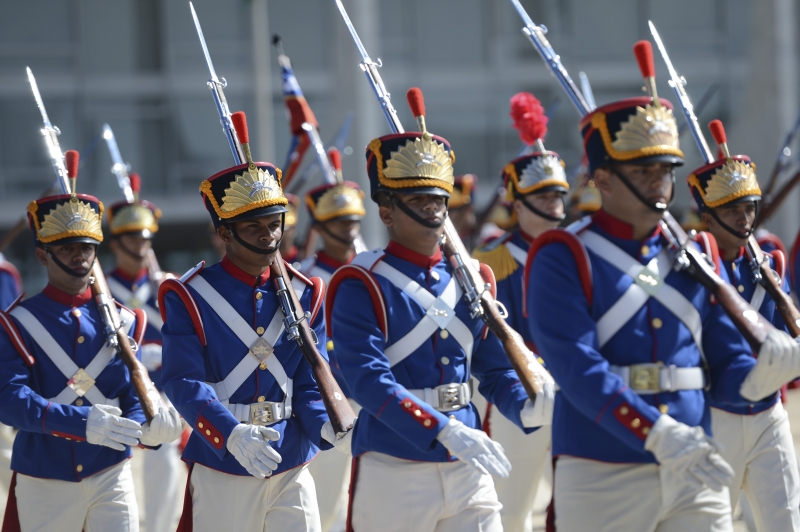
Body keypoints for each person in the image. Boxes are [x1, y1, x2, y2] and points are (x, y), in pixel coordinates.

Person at [524, 42, 800, 531]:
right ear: (602, 179)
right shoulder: (564, 255)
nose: (658, 184)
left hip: (697, 461)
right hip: (603, 469)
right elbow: (578, 368)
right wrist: (656, 433)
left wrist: (762, 376)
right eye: (641, 171)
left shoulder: (697, 253)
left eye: (665, 171)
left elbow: (722, 354)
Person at [327, 88, 552, 531]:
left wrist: (522, 404)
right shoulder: (362, 282)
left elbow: (490, 367)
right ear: (387, 211)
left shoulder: (474, 276)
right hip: (395, 463)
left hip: (470, 460)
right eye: (419, 200)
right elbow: (367, 380)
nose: (433, 210)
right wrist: (440, 428)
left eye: (438, 199)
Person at [160, 112, 350, 532]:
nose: (269, 236)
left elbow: (307, 380)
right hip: (225, 459)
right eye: (253, 226)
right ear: (225, 233)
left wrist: (327, 425)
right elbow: (182, 381)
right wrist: (229, 434)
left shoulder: (305, 291)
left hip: (292, 457)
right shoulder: (190, 295)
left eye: (274, 224)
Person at [0, 150, 181, 531]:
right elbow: (9, 400)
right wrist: (79, 422)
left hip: (110, 470)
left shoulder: (125, 318)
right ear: (42, 255)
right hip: (45, 475)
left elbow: (129, 392)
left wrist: (145, 427)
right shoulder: (17, 322)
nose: (79, 256)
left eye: (85, 247)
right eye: (66, 248)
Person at [687, 119, 800, 531]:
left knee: (786, 521)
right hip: (717, 413)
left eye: (748, 207)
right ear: (707, 216)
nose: (743, 217)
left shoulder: (772, 263)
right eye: (731, 209)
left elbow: (788, 330)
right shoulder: (690, 262)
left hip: (770, 410)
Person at [472, 91, 568, 532]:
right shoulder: (492, 262)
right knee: (512, 508)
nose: (555, 205)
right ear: (518, 199)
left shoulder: (577, 255)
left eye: (557, 196)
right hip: (521, 388)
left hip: (575, 388)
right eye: (543, 197)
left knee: (573, 505)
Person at [105, 172, 183, 532]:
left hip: (162, 393)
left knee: (165, 468)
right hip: (115, 391)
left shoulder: (167, 286)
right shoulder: (103, 288)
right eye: (132, 238)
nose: (140, 245)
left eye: (145, 238)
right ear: (116, 243)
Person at [299, 148, 366, 531]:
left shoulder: (371, 269)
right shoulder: (305, 280)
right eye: (338, 221)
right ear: (320, 227)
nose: (348, 227)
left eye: (352, 219)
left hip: (373, 396)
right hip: (330, 399)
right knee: (325, 506)